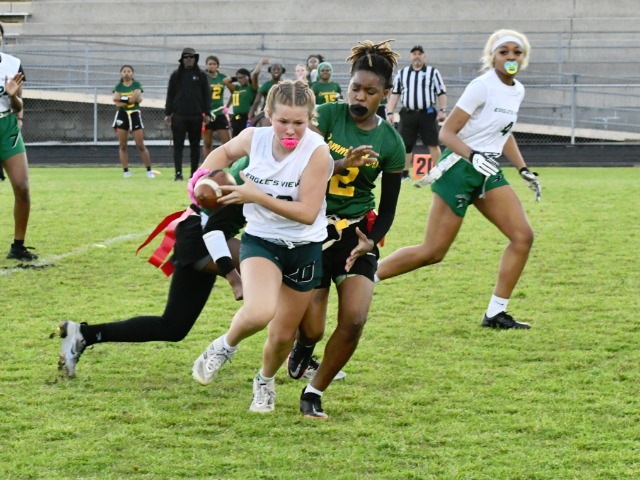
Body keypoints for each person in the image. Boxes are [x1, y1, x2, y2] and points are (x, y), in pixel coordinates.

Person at [376, 29, 540, 330]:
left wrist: (523, 169)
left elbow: (503, 132)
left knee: (523, 237)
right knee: (432, 252)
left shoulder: (517, 90)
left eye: (517, 52)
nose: (511, 57)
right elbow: (446, 133)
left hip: (487, 171)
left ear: (523, 57)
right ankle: (363, 276)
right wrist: (473, 156)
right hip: (460, 169)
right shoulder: (482, 86)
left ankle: (495, 313)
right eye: (504, 51)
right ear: (492, 56)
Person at [191, 80, 333, 414]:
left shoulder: (317, 152)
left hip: (304, 246)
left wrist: (257, 196)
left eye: (299, 122)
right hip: (262, 240)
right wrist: (203, 177)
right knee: (258, 312)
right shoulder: (254, 137)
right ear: (268, 114)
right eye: (282, 121)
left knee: (283, 336)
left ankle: (264, 382)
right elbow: (224, 153)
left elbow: (307, 213)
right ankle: (223, 347)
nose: (290, 129)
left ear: (310, 118)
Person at [287, 40, 405, 419]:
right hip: (313, 228)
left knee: (354, 319)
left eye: (370, 91)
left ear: (385, 94)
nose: (359, 97)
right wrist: (340, 163)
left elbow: (389, 205)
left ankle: (313, 392)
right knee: (313, 329)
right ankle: (304, 347)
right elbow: (296, 165)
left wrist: (372, 239)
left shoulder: (391, 142)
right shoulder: (325, 116)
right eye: (355, 88)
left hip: (355, 231)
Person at [57, 157, 250, 378]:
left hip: (200, 233)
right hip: (201, 236)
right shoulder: (258, 154)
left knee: (173, 327)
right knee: (274, 273)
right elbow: (225, 151)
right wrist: (201, 180)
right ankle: (271, 358)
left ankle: (83, 334)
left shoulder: (277, 157)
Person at [0, 23, 37, 261]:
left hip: (6, 126)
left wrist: (13, 96)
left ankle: (18, 246)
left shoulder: (13, 64)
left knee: (22, 188)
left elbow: (18, 105)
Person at [385, 45, 447, 180]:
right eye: (414, 54)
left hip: (427, 113)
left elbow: (441, 92)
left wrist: (442, 110)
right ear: (410, 56)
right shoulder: (403, 73)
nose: (417, 56)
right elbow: (395, 94)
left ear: (424, 56)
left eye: (419, 54)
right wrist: (390, 112)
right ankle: (404, 174)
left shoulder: (433, 72)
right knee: (405, 145)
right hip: (408, 113)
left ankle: (439, 173)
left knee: (433, 143)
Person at [164, 48, 211, 181]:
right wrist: (168, 113)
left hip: (196, 115)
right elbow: (170, 94)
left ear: (195, 59)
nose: (189, 59)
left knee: (195, 145)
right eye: (186, 57)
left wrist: (207, 112)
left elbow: (207, 95)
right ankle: (178, 173)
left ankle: (193, 174)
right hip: (179, 115)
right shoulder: (176, 75)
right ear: (182, 59)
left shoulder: (201, 75)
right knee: (178, 145)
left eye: (191, 57)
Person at [112, 65, 155, 178]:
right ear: (121, 73)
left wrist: (125, 99)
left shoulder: (136, 85)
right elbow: (116, 101)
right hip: (122, 115)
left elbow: (134, 98)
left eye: (129, 71)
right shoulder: (118, 86)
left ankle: (149, 171)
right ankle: (126, 171)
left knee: (140, 144)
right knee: (122, 145)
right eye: (124, 71)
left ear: (132, 73)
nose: (126, 73)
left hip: (134, 114)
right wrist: (131, 100)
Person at [203, 55, 233, 157]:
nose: (212, 66)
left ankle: (230, 164)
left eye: (214, 64)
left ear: (217, 66)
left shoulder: (223, 77)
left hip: (219, 112)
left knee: (227, 142)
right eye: (210, 64)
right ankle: (207, 165)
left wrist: (227, 106)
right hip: (208, 113)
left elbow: (234, 91)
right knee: (207, 143)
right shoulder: (204, 78)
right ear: (207, 65)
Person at [227, 67, 258, 137]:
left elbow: (255, 75)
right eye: (238, 78)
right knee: (235, 137)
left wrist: (261, 63)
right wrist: (237, 78)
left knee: (245, 137)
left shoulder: (251, 87)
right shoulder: (237, 88)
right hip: (236, 116)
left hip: (246, 116)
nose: (240, 80)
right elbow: (225, 81)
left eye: (242, 77)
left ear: (248, 77)